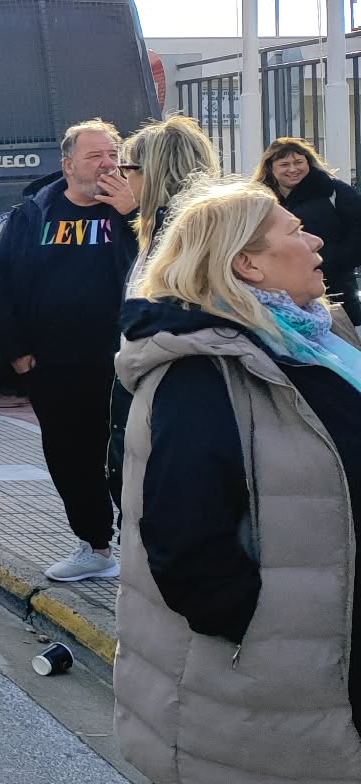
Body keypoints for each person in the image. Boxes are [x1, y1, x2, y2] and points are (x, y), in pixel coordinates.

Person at [115, 178, 361, 781]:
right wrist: (256, 628)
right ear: (247, 264)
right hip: (272, 671)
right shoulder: (202, 373)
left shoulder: (318, 341)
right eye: (296, 231)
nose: (316, 240)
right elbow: (184, 541)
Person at [0, 119, 138, 582]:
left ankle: (144, 547)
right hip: (54, 365)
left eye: (113, 155)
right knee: (71, 457)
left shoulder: (134, 213)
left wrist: (134, 213)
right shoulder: (33, 215)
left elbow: (168, 260)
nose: (108, 164)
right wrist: (17, 351)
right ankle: (94, 546)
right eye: (96, 157)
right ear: (68, 165)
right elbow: (0, 283)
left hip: (124, 361)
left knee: (133, 453)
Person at [107, 115, 220, 512]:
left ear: (154, 170)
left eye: (128, 169)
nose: (122, 178)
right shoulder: (167, 228)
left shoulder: (187, 236)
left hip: (174, 397)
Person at [253, 136, 361, 324]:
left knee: (347, 339)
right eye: (284, 164)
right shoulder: (260, 201)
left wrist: (337, 261)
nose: (293, 169)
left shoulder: (333, 191)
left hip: (337, 289)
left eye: (298, 162)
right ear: (271, 168)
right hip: (281, 292)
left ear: (309, 163)